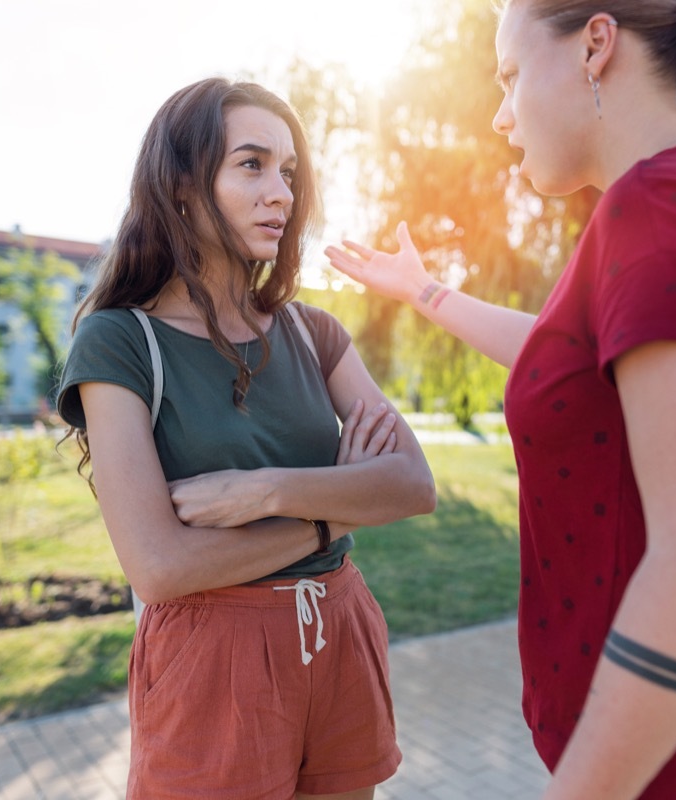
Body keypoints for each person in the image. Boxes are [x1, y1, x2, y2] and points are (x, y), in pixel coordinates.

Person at [325, 1, 676, 797]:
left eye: (510, 76)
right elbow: (571, 365)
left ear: (596, 44)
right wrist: (424, 291)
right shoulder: (665, 204)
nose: (500, 114)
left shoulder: (669, 208)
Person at [57, 77, 436, 799]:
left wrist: (268, 491)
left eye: (288, 172)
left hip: (337, 630)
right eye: (252, 165)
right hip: (212, 665)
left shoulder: (313, 331)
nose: (282, 194)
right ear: (181, 187)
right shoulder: (119, 344)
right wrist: (336, 512)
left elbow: (413, 484)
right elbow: (161, 568)